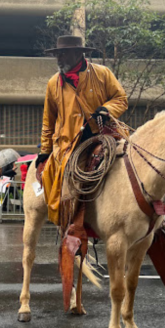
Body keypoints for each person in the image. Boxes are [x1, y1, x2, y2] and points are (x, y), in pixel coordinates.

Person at [36, 35, 128, 225]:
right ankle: (71, 226)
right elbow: (48, 121)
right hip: (71, 143)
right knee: (70, 186)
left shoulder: (102, 73)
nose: (59, 58)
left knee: (133, 163)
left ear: (78, 53)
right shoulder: (53, 83)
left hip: (105, 134)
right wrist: (45, 152)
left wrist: (106, 110)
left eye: (63, 53)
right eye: (57, 54)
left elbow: (121, 99)